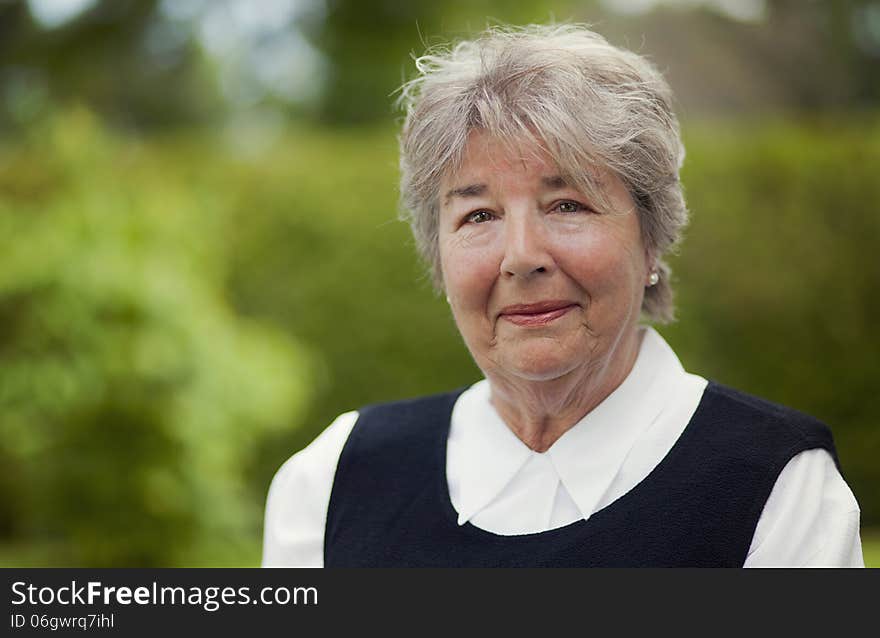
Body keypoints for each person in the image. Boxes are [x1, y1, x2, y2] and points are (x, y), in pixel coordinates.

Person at [262, 24, 864, 567]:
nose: (522, 255)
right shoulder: (334, 478)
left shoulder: (777, 486)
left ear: (651, 240)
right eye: (478, 215)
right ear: (437, 254)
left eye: (568, 204)